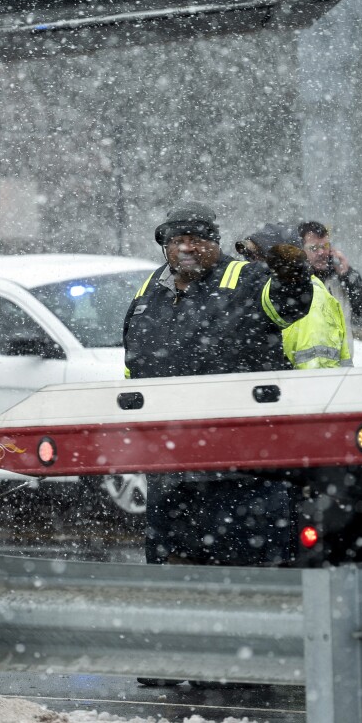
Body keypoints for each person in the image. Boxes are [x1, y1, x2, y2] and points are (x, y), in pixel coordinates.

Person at [125, 202, 314, 571]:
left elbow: (291, 304)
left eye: (196, 239)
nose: (186, 247)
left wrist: (294, 275)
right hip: (171, 465)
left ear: (215, 242)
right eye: (177, 240)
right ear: (164, 245)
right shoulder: (149, 290)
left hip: (244, 468)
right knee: (172, 575)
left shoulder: (248, 279)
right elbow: (135, 366)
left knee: (255, 572)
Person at [236, 223, 350, 369]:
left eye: (259, 258)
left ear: (284, 262)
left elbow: (316, 369)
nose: (251, 265)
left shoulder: (310, 298)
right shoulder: (269, 296)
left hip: (306, 389)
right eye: (250, 257)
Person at [298, 220, 362, 350]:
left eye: (325, 246)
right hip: (305, 365)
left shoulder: (341, 275)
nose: (321, 253)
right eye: (314, 248)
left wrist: (347, 275)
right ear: (300, 250)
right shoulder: (295, 279)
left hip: (341, 365)